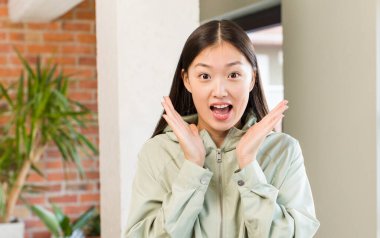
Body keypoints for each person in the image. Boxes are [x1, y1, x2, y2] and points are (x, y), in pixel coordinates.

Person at [125, 20, 320, 238]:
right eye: (205, 76)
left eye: (233, 75)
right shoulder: (157, 153)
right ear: (187, 80)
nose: (220, 91)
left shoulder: (284, 151)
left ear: (252, 78)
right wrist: (192, 168)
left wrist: (249, 166)